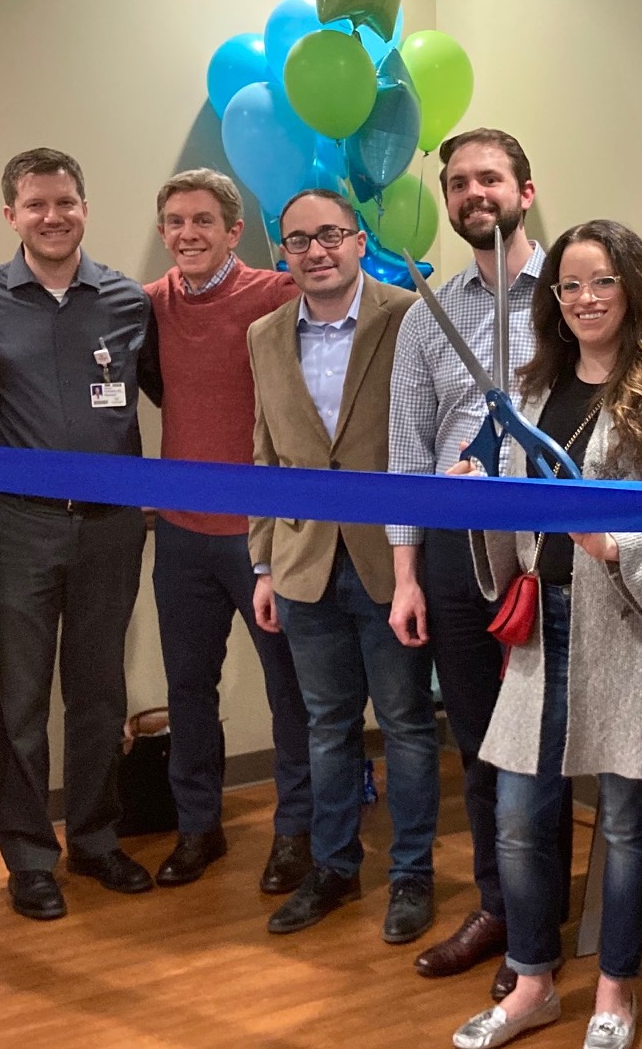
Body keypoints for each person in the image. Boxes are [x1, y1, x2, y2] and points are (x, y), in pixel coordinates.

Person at [446, 220, 642, 1049]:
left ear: (631, 286)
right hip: (541, 626)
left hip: (626, 631)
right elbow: (518, 502)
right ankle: (531, 981)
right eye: (567, 285)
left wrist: (618, 546)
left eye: (599, 281)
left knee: (629, 819)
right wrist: (478, 493)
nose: (584, 298)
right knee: (521, 818)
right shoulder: (533, 387)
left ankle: (614, 989)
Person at [0, 148, 154, 920]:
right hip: (21, 528)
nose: (52, 217)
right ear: (10, 214)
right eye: (35, 204)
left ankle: (98, 839)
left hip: (111, 526)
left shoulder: (128, 299)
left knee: (100, 693)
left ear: (84, 207)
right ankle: (30, 855)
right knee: (23, 698)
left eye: (65, 202)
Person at [385, 129, 558, 996]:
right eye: (457, 183)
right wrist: (407, 574)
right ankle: (500, 908)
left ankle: (543, 924)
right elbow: (405, 450)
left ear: (525, 191)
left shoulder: (574, 293)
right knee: (482, 743)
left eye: (489, 178)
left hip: (553, 551)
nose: (472, 193)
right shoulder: (428, 312)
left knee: (545, 745)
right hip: (458, 559)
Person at [248, 189, 439, 944]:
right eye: (298, 240)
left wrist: (415, 565)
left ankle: (411, 877)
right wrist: (261, 562)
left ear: (359, 241)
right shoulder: (263, 334)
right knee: (326, 727)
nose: (316, 250)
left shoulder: (407, 317)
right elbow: (263, 450)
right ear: (282, 254)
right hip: (301, 565)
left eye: (330, 234)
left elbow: (424, 436)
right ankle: (334, 868)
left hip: (389, 560)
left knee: (405, 726)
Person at [136, 169, 313, 895]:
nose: (187, 234)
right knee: (188, 690)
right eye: (175, 222)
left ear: (233, 231)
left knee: (290, 692)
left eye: (202, 221)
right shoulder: (146, 305)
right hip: (180, 533)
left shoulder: (275, 295)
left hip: (263, 535)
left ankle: (297, 834)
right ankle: (197, 827)